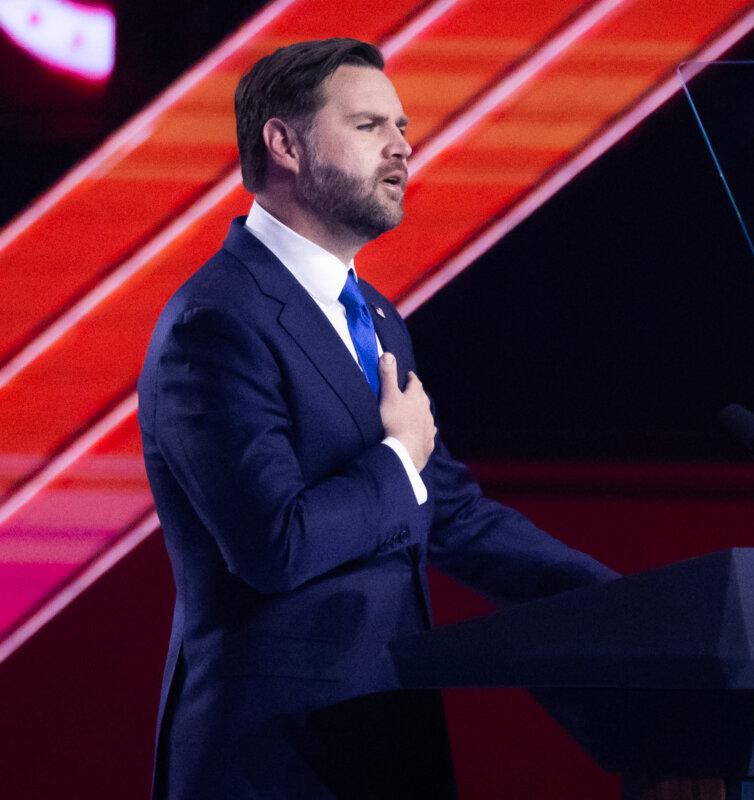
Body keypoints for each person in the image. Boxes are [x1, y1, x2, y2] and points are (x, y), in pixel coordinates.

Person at [137, 38, 617, 799]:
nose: (402, 148)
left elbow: (450, 511)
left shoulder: (378, 319)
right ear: (284, 144)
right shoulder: (216, 322)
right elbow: (275, 545)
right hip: (271, 759)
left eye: (402, 128)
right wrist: (396, 459)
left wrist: (621, 602)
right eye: (369, 127)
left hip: (389, 739)